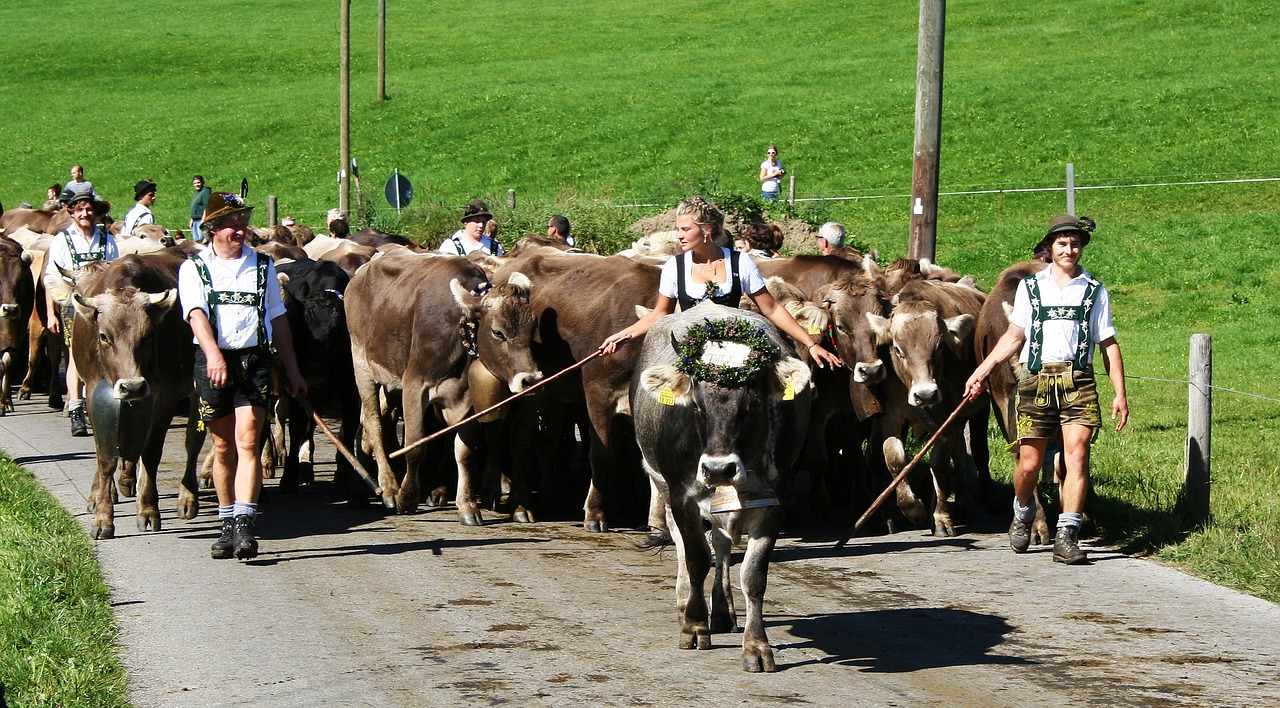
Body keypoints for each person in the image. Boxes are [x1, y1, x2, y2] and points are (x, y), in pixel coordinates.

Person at [963, 214, 1129, 566]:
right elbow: (1014, 336)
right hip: (1036, 380)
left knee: (1077, 457)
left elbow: (1108, 343)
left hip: (1078, 380)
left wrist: (1120, 393)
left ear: (1081, 248)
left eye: (1075, 244)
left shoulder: (1094, 290)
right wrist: (982, 370)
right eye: (1062, 243)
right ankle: (1022, 511)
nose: (1069, 249)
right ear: (1050, 248)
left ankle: (1066, 534)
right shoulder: (1031, 288)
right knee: (1029, 463)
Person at [178, 191, 307, 560]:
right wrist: (214, 355)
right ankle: (225, 522)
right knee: (222, 447)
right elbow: (196, 315)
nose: (240, 229)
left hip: (255, 360)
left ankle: (245, 525)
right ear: (213, 228)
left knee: (249, 441)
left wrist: (293, 368)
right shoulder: (195, 268)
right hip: (213, 362)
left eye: (242, 222)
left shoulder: (262, 266)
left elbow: (278, 319)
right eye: (232, 223)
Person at [600, 195, 841, 370]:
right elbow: (660, 313)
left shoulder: (740, 263)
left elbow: (772, 308)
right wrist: (623, 335)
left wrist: (810, 344)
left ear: (706, 229)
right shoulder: (675, 266)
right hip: (687, 348)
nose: (679, 235)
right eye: (678, 229)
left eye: (685, 229)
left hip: (734, 347)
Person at [44, 190, 121, 436]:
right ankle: (76, 407)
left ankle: (98, 407)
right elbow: (51, 278)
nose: (85, 213)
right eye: (79, 210)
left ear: (95, 212)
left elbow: (116, 274)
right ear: (72, 213)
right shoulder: (62, 240)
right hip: (74, 306)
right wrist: (51, 314)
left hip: (102, 306)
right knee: (76, 357)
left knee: (104, 353)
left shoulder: (107, 240)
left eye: (88, 209)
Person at [439, 199, 505, 256]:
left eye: (484, 222)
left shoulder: (494, 247)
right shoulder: (450, 246)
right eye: (477, 221)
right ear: (466, 222)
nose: (481, 225)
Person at [189, 175, 211, 240]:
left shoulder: (205, 192)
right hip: (196, 221)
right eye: (195, 183)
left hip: (201, 221)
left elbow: (207, 207)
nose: (197, 185)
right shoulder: (197, 193)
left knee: (201, 241)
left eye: (198, 183)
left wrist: (203, 220)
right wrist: (192, 219)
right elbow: (195, 207)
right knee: (196, 242)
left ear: (202, 182)